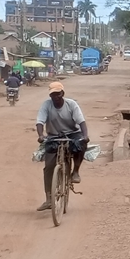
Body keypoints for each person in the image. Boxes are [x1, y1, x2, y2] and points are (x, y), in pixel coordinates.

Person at [35, 81, 88, 211]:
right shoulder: (46, 105)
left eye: (58, 94)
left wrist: (85, 136)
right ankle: (49, 199)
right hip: (54, 135)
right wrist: (41, 135)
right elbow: (40, 122)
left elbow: (81, 122)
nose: (55, 97)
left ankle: (75, 171)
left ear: (62, 93)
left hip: (72, 133)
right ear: (50, 96)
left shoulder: (71, 104)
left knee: (80, 145)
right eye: (53, 95)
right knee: (48, 167)